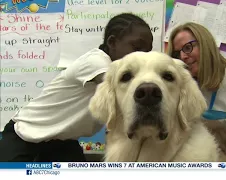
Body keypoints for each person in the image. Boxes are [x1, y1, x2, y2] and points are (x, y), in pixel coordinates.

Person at [0, 13, 153, 162]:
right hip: (25, 134)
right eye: (137, 47)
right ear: (112, 43)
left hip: (62, 141)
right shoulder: (96, 62)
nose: (143, 57)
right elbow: (124, 91)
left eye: (147, 52)